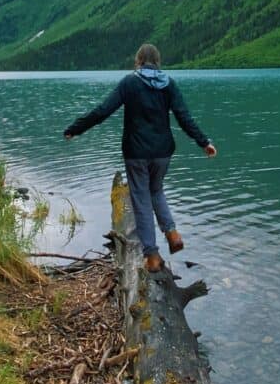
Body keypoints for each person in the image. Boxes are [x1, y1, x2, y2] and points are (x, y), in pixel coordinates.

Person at [63, 43, 217, 272]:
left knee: (142, 201)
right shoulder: (169, 84)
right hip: (163, 152)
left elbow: (103, 110)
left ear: (138, 61)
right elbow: (184, 117)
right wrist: (204, 142)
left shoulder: (129, 83)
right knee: (156, 190)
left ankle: (152, 256)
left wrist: (76, 129)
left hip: (136, 153)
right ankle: (172, 234)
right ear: (158, 61)